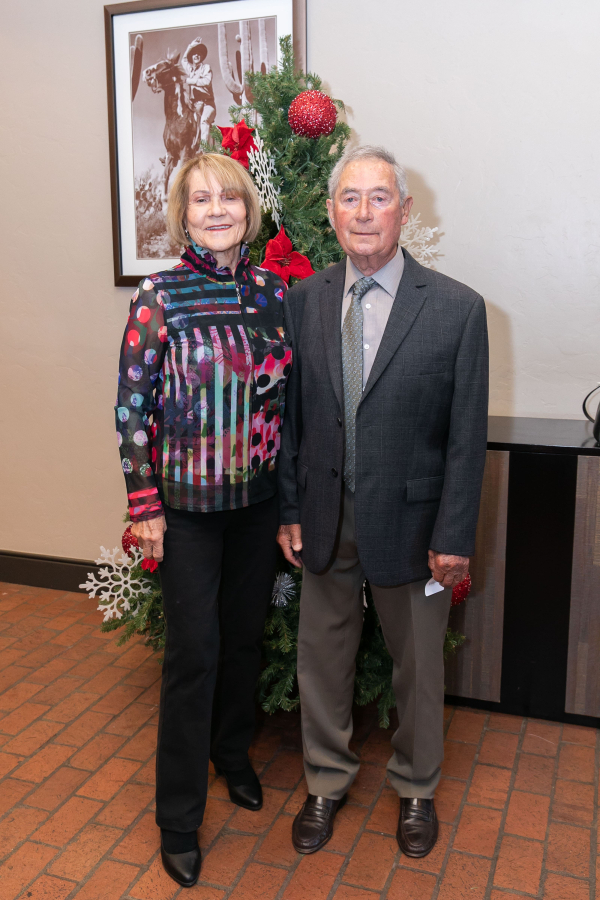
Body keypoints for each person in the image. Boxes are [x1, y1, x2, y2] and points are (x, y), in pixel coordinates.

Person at [277, 145, 489, 858]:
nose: (364, 212)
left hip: (415, 523)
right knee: (321, 658)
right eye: (349, 197)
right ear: (330, 212)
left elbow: (465, 439)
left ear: (404, 209)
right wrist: (288, 509)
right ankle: (325, 780)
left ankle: (417, 787)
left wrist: (454, 535)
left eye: (379, 197)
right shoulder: (304, 301)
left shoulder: (457, 309)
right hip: (323, 515)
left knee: (419, 666)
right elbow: (292, 421)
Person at [116, 153, 291, 887]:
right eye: (201, 199)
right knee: (195, 657)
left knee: (244, 641)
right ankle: (179, 818)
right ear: (183, 215)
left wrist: (288, 507)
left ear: (248, 209)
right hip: (185, 513)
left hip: (257, 508)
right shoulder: (160, 295)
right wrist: (144, 505)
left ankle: (231, 754)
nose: (217, 209)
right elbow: (132, 408)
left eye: (230, 197)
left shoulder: (274, 293)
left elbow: (289, 406)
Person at [182, 38, 216, 149]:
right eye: (194, 53)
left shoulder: (206, 68)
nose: (196, 55)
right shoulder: (191, 70)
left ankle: (204, 150)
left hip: (207, 105)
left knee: (204, 121)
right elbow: (183, 60)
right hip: (195, 106)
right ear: (191, 57)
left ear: (202, 57)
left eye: (199, 54)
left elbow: (207, 81)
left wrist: (190, 81)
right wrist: (191, 45)